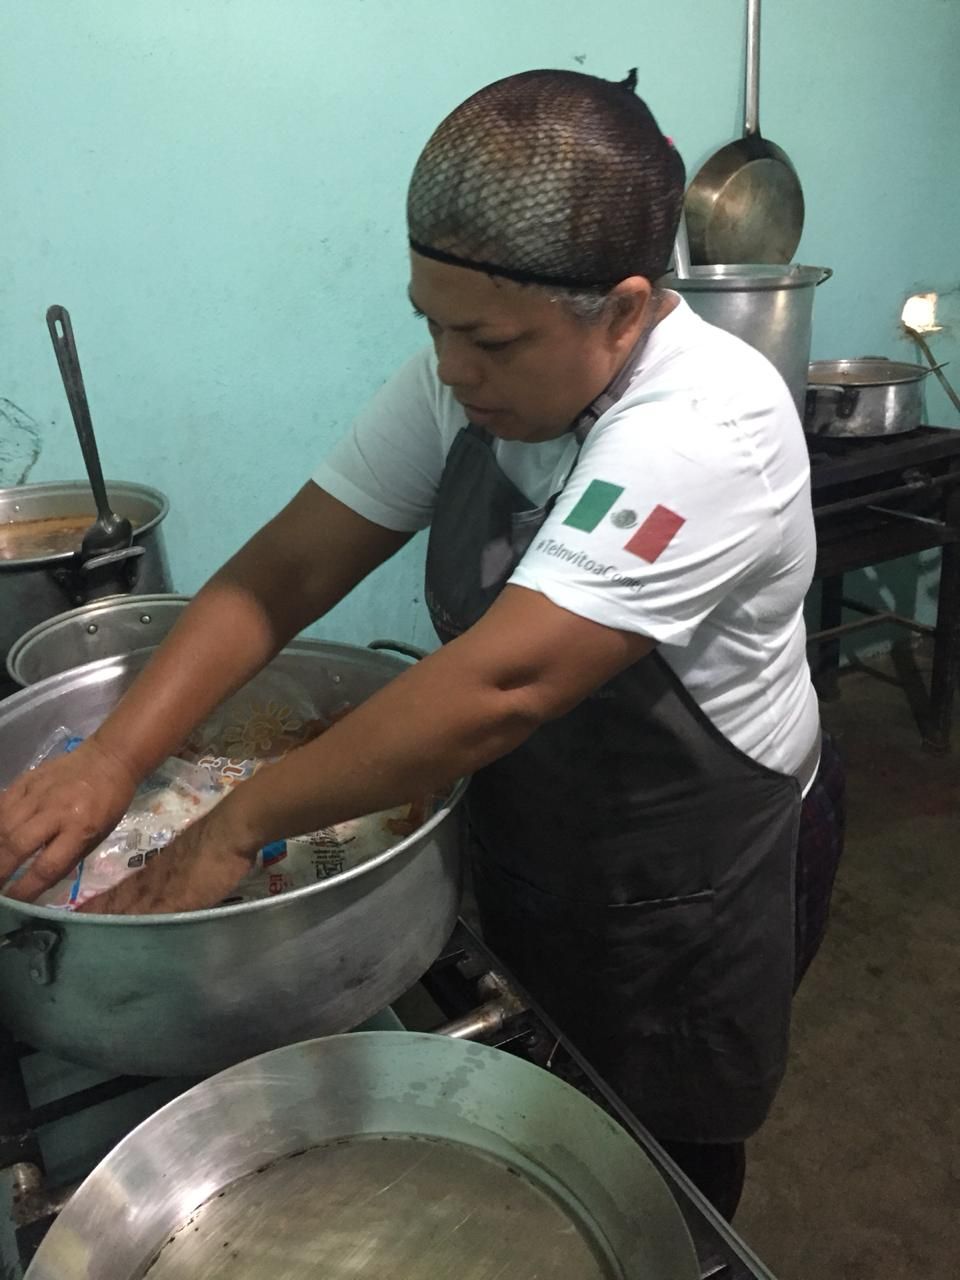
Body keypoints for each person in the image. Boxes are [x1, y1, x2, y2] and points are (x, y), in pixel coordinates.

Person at [0, 69, 844, 1217]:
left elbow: (499, 683)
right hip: (543, 824)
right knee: (544, 1123)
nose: (451, 368)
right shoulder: (473, 378)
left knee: (655, 1167)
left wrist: (233, 825)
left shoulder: (710, 429)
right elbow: (282, 570)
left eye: (488, 339)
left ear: (632, 309)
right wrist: (108, 758)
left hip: (687, 873)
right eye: (431, 324)